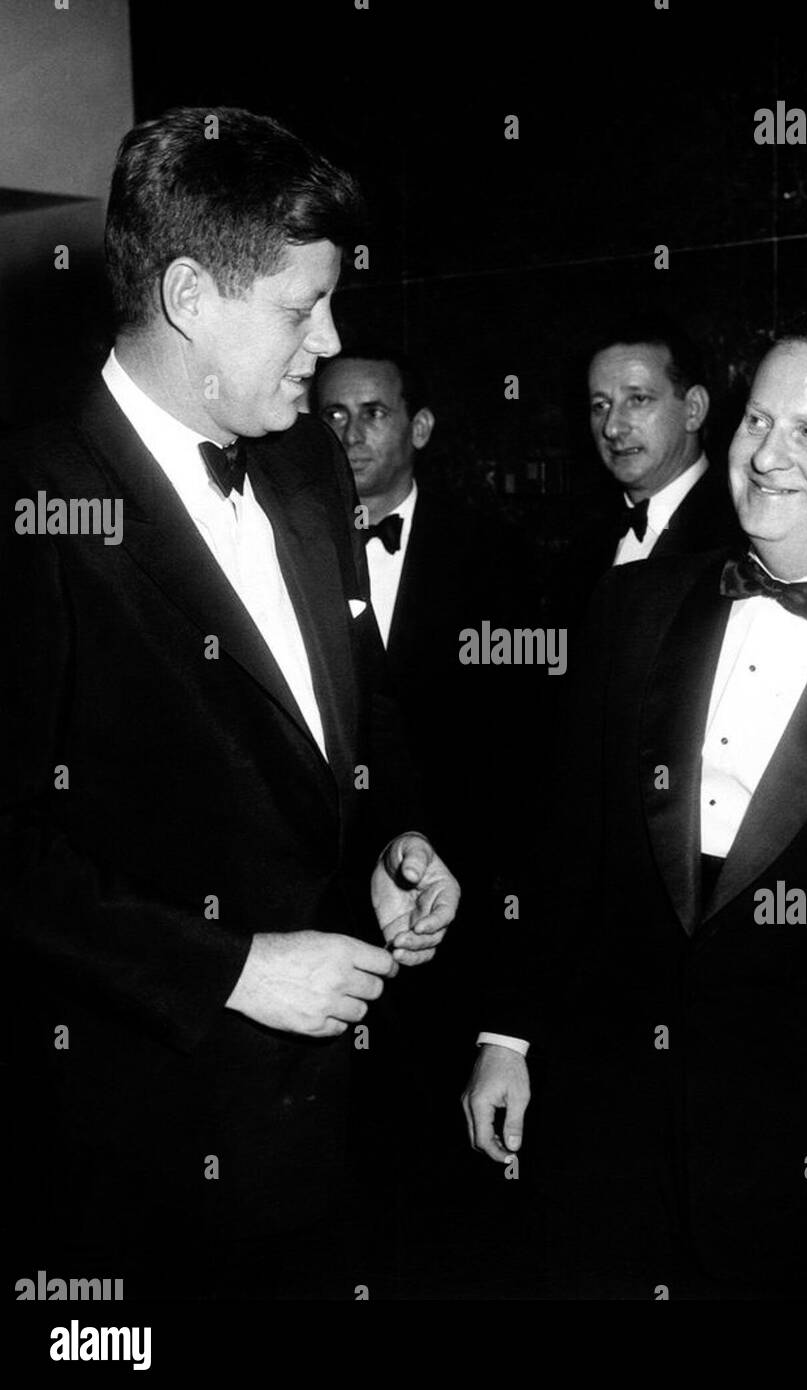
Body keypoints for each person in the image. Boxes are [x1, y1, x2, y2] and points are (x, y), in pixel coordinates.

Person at [2, 106, 459, 1300]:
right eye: (300, 308)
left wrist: (399, 838)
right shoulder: (34, 501)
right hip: (132, 1160)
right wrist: (228, 966)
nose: (330, 339)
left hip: (336, 1143)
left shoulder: (305, 461)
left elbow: (356, 710)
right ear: (193, 293)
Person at [465, 319, 807, 1299]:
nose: (766, 454)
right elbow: (564, 845)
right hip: (609, 1130)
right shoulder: (630, 608)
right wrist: (506, 1036)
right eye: (756, 420)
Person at [317, 347, 540, 1296]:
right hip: (321, 940)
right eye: (330, 415)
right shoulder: (272, 547)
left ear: (420, 426)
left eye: (371, 412)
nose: (349, 434)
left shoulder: (506, 561)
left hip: (470, 932)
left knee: (455, 1213)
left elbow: (532, 776)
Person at [547, 316, 738, 629]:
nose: (611, 427)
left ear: (693, 409)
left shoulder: (742, 541)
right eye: (600, 405)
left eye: (637, 399)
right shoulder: (583, 546)